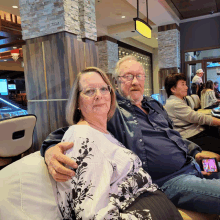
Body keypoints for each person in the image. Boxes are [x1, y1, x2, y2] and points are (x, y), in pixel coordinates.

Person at [41, 56, 220, 215]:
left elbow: (173, 136)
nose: (135, 81)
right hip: (170, 181)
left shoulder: (154, 104)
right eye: (128, 76)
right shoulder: (111, 109)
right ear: (116, 82)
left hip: (193, 164)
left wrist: (196, 152)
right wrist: (50, 150)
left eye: (139, 76)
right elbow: (75, 131)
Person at [52, 67, 183, 220]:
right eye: (89, 91)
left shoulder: (106, 132)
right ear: (77, 102)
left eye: (103, 89)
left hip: (158, 203)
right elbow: (93, 215)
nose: (99, 95)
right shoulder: (82, 135)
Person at [164, 73, 220, 154]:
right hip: (190, 137)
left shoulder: (179, 100)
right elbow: (197, 117)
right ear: (173, 89)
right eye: (183, 85)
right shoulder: (174, 103)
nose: (186, 87)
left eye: (185, 84)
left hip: (195, 130)